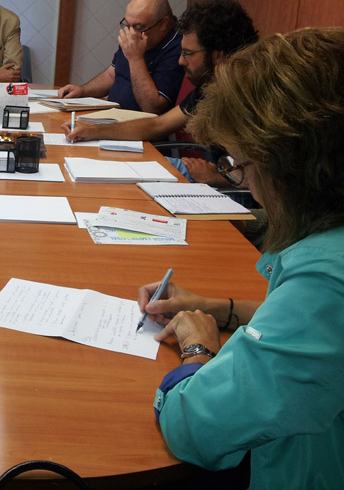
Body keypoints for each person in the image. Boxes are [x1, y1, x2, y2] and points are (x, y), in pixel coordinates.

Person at [139, 27, 344, 488]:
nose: (246, 183)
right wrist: (217, 308)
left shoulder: (327, 280)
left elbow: (192, 424)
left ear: (287, 166)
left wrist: (196, 350)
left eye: (241, 165)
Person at [61, 0, 258, 187]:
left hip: (231, 190)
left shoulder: (251, 97)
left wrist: (221, 177)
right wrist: (93, 131)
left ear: (218, 57)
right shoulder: (210, 87)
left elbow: (270, 177)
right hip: (214, 176)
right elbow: (158, 124)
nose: (181, 61)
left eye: (188, 54)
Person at [58, 0, 183, 113]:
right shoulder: (134, 34)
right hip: (111, 115)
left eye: (139, 27)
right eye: (128, 25)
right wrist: (83, 91)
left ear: (163, 24)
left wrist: (136, 58)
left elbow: (152, 107)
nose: (132, 33)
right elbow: (112, 75)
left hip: (140, 127)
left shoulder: (178, 48)